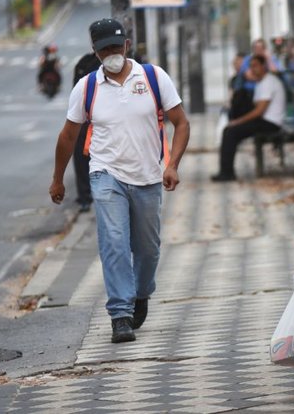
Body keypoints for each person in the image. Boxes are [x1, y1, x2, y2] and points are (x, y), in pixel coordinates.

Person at [49, 18, 190, 343]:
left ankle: (141, 294)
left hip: (148, 177)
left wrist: (173, 165)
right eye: (104, 49)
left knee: (148, 248)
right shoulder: (86, 87)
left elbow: (181, 123)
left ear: (127, 44)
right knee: (113, 242)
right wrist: (58, 179)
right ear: (95, 52)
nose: (112, 53)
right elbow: (68, 136)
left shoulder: (154, 77)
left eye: (116, 46)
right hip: (105, 174)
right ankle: (120, 314)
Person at [211, 54, 286, 182]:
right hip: (263, 121)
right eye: (251, 67)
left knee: (230, 132)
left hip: (270, 123)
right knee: (229, 130)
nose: (253, 69)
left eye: (256, 66)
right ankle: (226, 171)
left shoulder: (269, 82)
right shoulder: (260, 82)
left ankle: (227, 173)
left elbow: (259, 111)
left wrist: (238, 122)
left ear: (264, 66)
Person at [71, 52, 101, 212]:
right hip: (87, 120)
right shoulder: (84, 64)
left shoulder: (135, 65)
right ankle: (84, 196)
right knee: (81, 154)